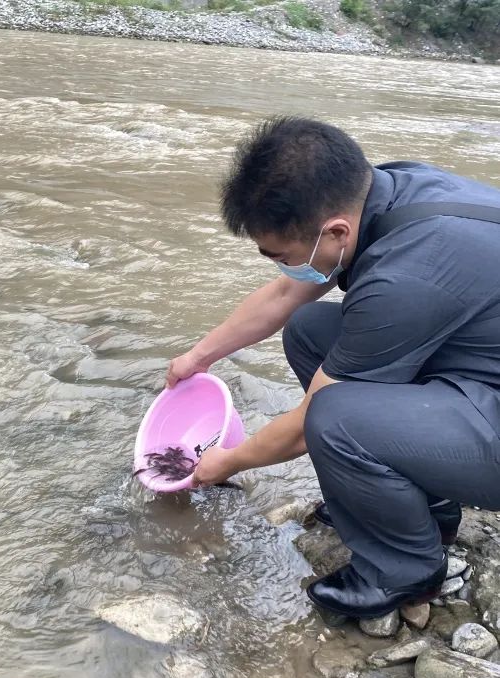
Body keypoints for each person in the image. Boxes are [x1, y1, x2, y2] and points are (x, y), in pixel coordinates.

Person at [172, 116, 500, 620]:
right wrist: (197, 359)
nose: (278, 266)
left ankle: (407, 570)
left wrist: (226, 461)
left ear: (335, 231)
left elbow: (309, 423)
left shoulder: (404, 278)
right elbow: (287, 293)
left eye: (278, 254)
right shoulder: (386, 190)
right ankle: (420, 510)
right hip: (480, 369)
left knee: (334, 417)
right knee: (311, 329)